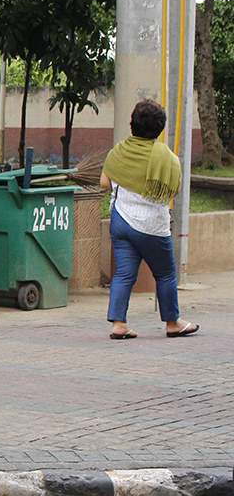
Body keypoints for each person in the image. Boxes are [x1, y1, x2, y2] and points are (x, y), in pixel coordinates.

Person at [101, 98, 198, 339]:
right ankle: (172, 323)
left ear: (132, 124)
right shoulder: (168, 158)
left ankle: (119, 324)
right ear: (160, 128)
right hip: (151, 226)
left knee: (124, 273)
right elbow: (174, 190)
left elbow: (104, 183)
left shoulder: (119, 151)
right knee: (165, 274)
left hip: (121, 221)